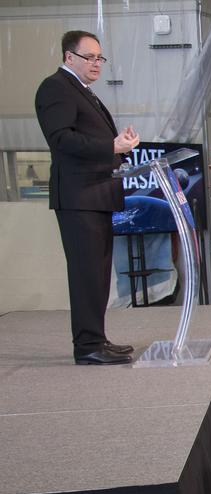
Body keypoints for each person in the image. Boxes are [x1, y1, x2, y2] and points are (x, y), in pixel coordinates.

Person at [35, 30, 141, 365]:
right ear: (69, 57)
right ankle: (87, 346)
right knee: (86, 274)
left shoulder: (83, 91)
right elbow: (61, 139)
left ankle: (97, 339)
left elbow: (89, 137)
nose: (97, 64)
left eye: (100, 58)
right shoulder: (56, 87)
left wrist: (120, 146)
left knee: (98, 273)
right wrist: (110, 145)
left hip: (96, 194)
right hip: (79, 197)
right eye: (89, 57)